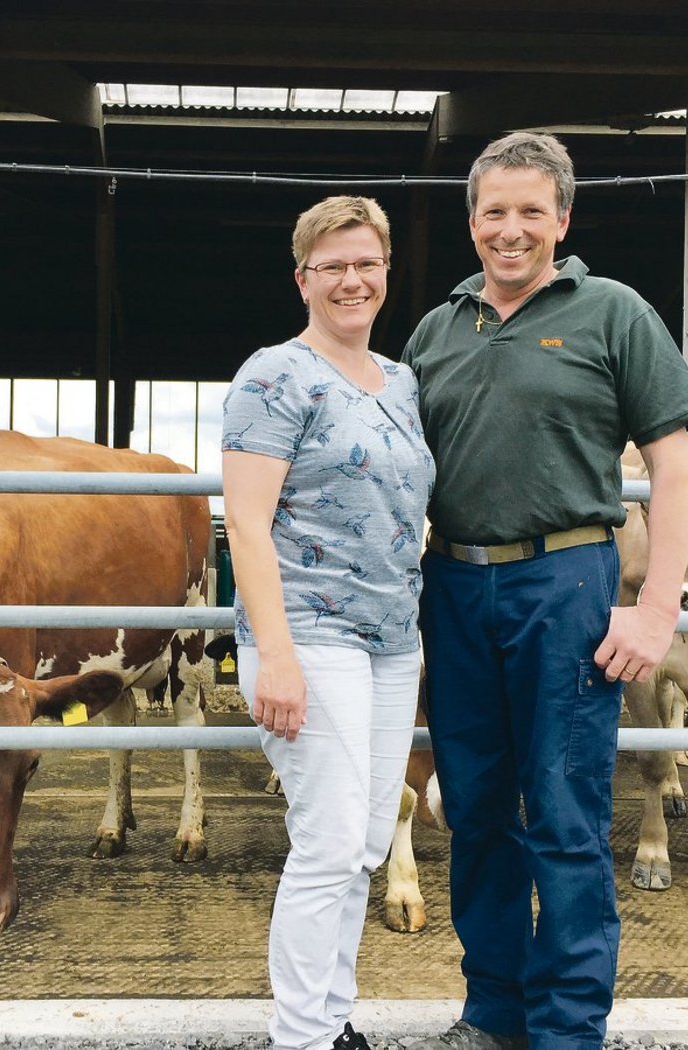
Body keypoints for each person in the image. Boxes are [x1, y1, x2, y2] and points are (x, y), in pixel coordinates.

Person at [400, 132, 688, 1050]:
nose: (511, 229)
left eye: (532, 210)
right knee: (478, 805)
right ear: (471, 222)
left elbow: (676, 467)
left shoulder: (612, 312)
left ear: (563, 220)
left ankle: (570, 1027)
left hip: (567, 578)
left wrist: (657, 606)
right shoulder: (437, 328)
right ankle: (493, 1009)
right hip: (452, 583)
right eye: (494, 210)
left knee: (566, 808)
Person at [221, 195, 435, 1050]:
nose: (351, 279)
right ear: (303, 278)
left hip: (393, 641)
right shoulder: (273, 374)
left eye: (365, 263)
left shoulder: (404, 381)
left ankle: (332, 1018)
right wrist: (275, 655)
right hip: (307, 634)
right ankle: (300, 1038)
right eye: (331, 266)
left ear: (386, 272)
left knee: (368, 843)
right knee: (331, 839)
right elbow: (244, 522)